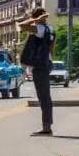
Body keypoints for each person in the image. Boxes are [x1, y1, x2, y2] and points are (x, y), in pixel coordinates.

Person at [19, 7, 56, 136]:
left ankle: (47, 128)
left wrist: (35, 19)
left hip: (40, 65)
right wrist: (50, 61)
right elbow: (52, 48)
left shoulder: (39, 29)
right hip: (46, 63)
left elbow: (21, 25)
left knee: (43, 97)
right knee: (45, 96)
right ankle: (47, 126)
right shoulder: (50, 29)